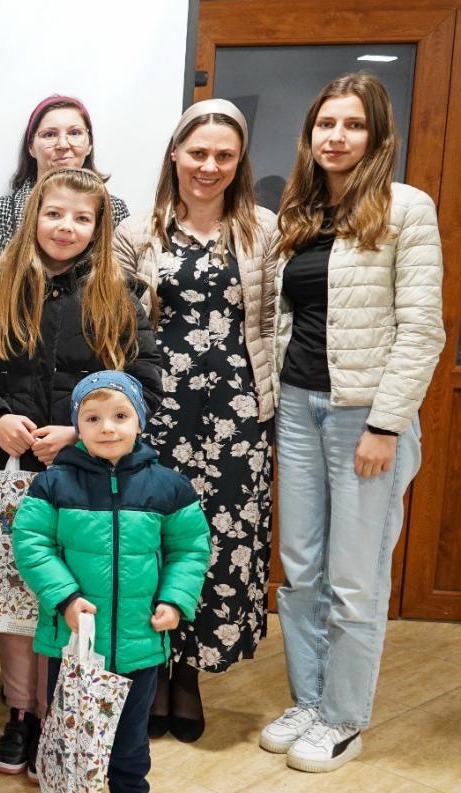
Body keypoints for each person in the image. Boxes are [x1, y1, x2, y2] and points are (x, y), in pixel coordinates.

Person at [0, 167, 161, 780]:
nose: (65, 227)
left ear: (99, 228)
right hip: (12, 473)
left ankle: (60, 718)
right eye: (54, 214)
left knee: (74, 597)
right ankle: (21, 714)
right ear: (32, 217)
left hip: (87, 477)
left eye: (81, 218)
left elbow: (145, 385)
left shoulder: (120, 295)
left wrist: (80, 430)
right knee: (22, 600)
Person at [261, 73, 444, 773]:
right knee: (301, 570)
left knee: (354, 577)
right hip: (298, 410)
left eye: (353, 124)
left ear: (378, 135)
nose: (336, 136)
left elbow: (422, 329)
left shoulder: (406, 208)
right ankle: (308, 701)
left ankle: (343, 717)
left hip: (364, 417)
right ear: (310, 134)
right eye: (326, 123)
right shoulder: (300, 213)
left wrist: (387, 425)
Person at [112, 99, 278, 742]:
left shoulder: (264, 230)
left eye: (224, 156)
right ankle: (154, 671)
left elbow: (277, 321)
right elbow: (115, 325)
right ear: (175, 155)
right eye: (198, 152)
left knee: (220, 545)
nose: (209, 166)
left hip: (238, 418)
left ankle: (190, 676)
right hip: (159, 413)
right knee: (156, 539)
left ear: (239, 163)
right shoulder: (136, 233)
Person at [13, 371, 210, 793]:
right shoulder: (52, 485)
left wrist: (174, 600)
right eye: (93, 418)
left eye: (120, 416)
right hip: (74, 646)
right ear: (77, 426)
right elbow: (31, 544)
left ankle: (130, 785)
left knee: (130, 743)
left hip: (140, 645)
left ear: (139, 422)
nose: (107, 428)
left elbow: (190, 549)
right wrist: (65, 598)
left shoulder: (169, 488)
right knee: (71, 738)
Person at [0, 94, 130, 266]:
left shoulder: (114, 210)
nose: (63, 144)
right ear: (31, 147)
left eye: (74, 133)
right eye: (49, 135)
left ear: (89, 145)